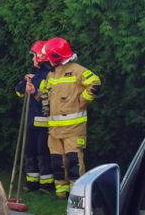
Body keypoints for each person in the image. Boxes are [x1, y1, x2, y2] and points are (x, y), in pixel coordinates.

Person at [38, 37, 101, 199]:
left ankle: (77, 193)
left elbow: (95, 82)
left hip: (73, 128)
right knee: (57, 161)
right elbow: (44, 93)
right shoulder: (51, 75)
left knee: (74, 161)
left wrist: (83, 101)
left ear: (56, 56)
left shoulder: (78, 70)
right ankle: (61, 191)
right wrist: (35, 91)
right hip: (54, 129)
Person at [14, 40, 54, 192]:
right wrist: (24, 81)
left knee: (43, 153)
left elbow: (46, 95)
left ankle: (47, 184)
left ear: (41, 56)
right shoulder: (34, 75)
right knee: (30, 151)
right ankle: (32, 183)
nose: (32, 59)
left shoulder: (48, 75)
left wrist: (34, 86)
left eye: (34, 56)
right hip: (31, 121)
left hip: (43, 122)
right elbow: (18, 92)